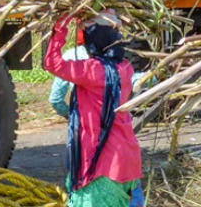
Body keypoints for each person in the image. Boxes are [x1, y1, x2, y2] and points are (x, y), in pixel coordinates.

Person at [44, 11, 144, 207]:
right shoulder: (125, 69)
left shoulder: (91, 71)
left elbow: (51, 63)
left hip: (101, 165)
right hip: (128, 160)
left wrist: (61, 25)